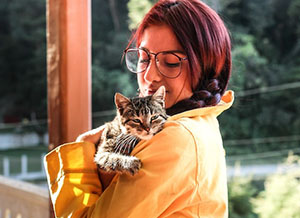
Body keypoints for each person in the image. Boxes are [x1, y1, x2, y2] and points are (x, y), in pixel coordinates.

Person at [44, 0, 234, 217]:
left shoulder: (177, 138)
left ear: (207, 67)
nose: (149, 77)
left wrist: (81, 151)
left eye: (171, 62)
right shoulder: (203, 121)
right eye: (143, 59)